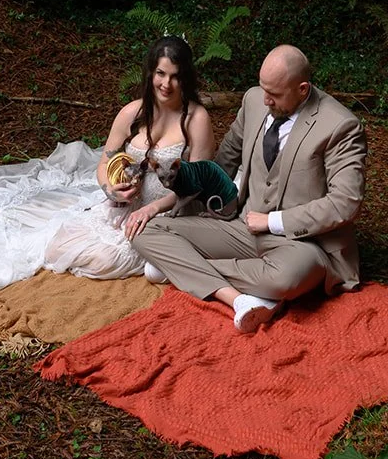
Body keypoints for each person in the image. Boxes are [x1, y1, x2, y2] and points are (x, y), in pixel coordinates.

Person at [0, 37, 214, 309]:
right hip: (122, 207)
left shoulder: (196, 120)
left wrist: (151, 208)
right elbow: (105, 162)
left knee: (102, 260)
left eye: (175, 77)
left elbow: (196, 186)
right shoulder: (133, 112)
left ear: (186, 79)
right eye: (160, 74)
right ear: (150, 73)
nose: (166, 84)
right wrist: (110, 189)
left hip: (165, 214)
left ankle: (162, 256)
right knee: (57, 244)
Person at [130, 44, 366, 335]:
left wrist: (272, 222)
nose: (265, 99)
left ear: (302, 89)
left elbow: (345, 202)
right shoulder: (254, 100)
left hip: (303, 244)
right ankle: (240, 297)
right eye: (262, 87)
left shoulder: (340, 125)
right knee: (147, 232)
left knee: (286, 279)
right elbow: (221, 164)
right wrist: (159, 205)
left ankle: (182, 269)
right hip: (242, 228)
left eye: (275, 94)